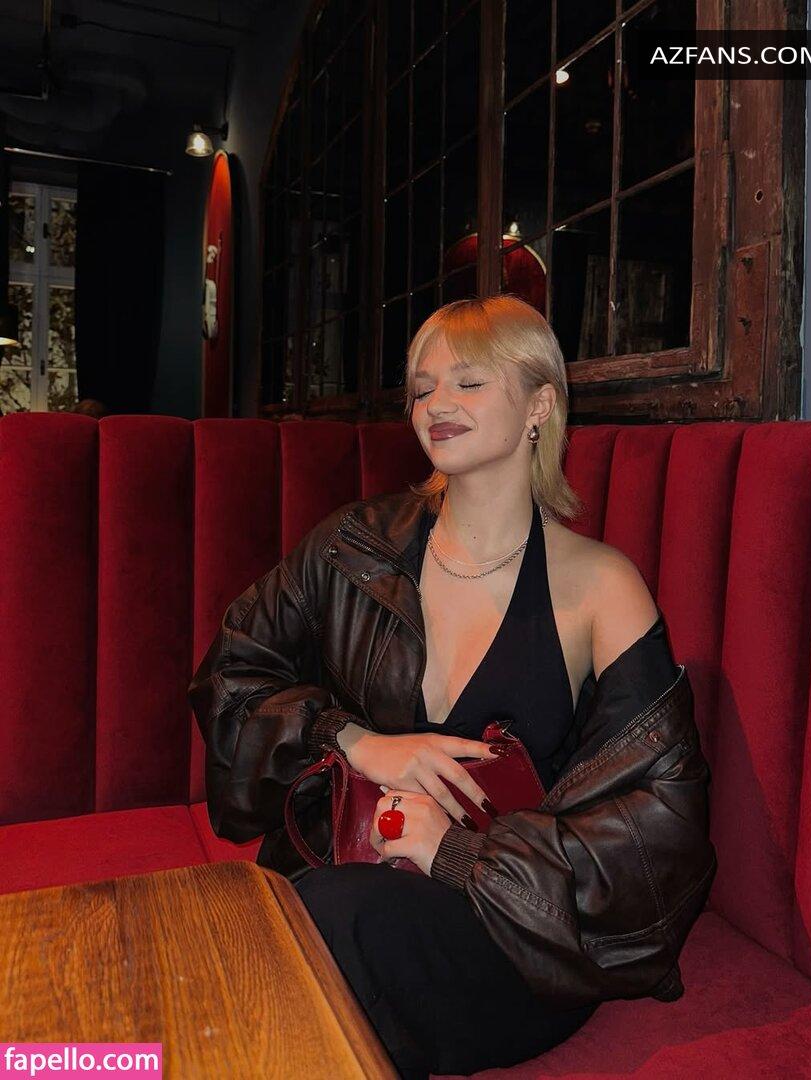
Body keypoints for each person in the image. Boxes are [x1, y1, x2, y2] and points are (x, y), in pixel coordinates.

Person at [188, 296, 717, 1079]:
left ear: (540, 405)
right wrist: (353, 740)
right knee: (293, 932)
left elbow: (661, 833)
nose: (435, 404)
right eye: (421, 387)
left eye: (468, 383)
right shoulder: (352, 548)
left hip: (512, 938)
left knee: (327, 923)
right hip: (345, 884)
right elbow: (229, 674)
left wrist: (457, 853)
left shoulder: (601, 587)